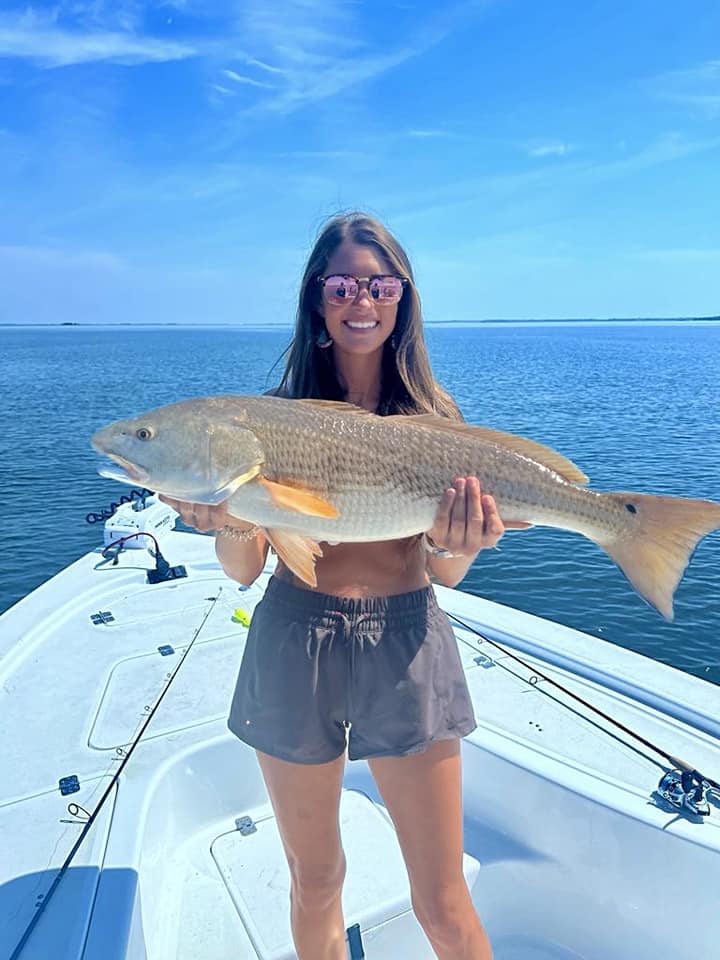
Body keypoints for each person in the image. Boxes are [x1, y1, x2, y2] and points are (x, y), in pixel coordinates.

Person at [160, 212, 504, 960]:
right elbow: (247, 569)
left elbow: (444, 569)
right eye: (344, 283)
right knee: (315, 880)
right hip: (293, 640)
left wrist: (462, 542)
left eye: (381, 284)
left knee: (443, 901)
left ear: (403, 298)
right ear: (318, 297)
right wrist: (224, 516)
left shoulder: (437, 422)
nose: (362, 300)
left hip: (407, 640)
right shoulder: (265, 419)